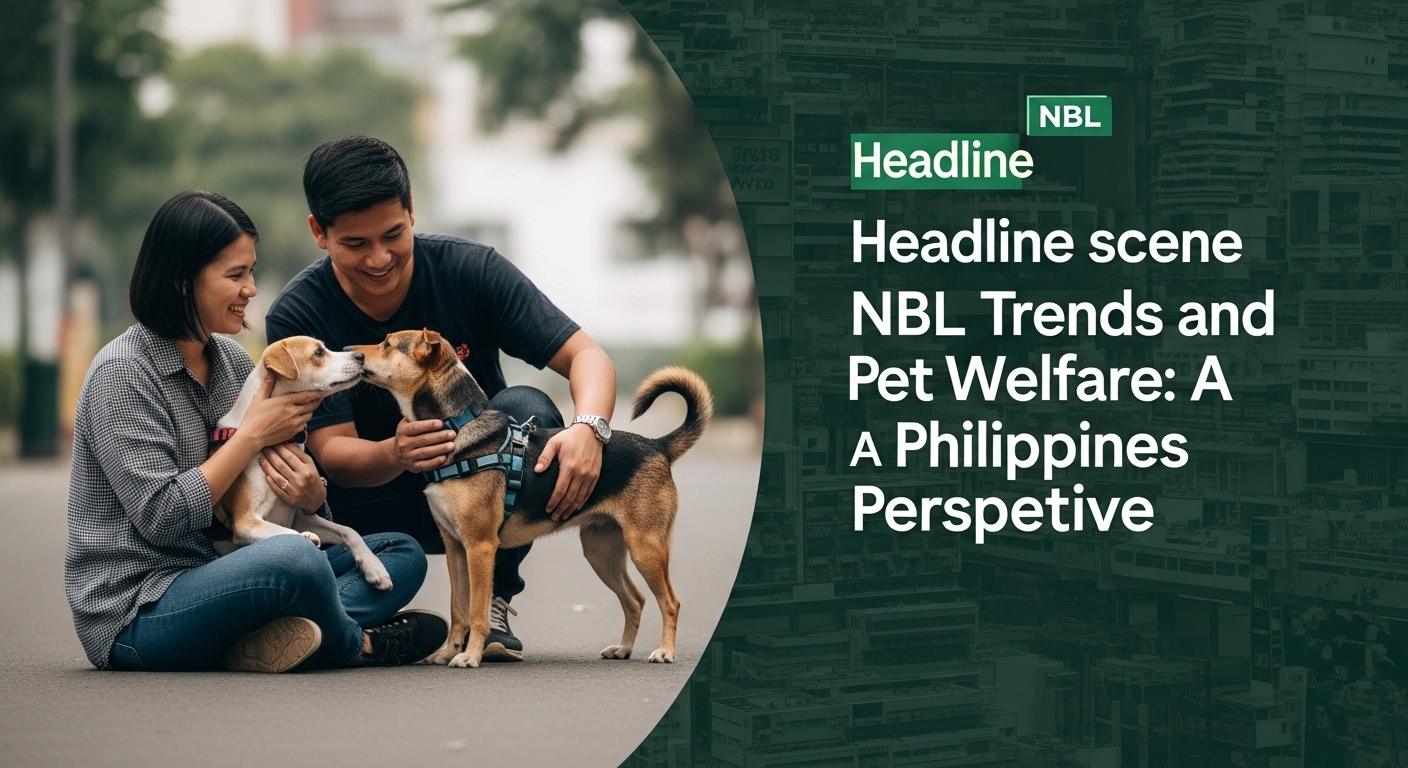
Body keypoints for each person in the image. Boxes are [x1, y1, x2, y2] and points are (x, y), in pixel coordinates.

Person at [266, 136, 617, 662]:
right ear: (320, 232)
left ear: (411, 210)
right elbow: (331, 450)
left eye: (393, 235)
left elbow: (587, 356)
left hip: (484, 485)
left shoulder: (471, 270)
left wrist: (590, 428)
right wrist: (394, 453)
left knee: (530, 409)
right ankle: (350, 622)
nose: (379, 258)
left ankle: (489, 605)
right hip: (378, 499)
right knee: (359, 529)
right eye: (356, 244)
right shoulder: (299, 314)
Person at [65, 190, 448, 673]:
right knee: (294, 560)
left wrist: (312, 494)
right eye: (236, 275)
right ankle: (359, 643)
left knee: (400, 552)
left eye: (251, 271)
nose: (250, 289)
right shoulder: (122, 375)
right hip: (143, 608)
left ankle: (274, 638)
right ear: (183, 281)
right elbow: (161, 517)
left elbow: (271, 506)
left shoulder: (230, 362)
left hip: (234, 571)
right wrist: (249, 436)